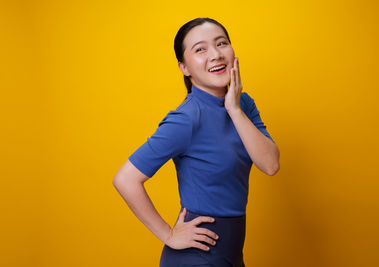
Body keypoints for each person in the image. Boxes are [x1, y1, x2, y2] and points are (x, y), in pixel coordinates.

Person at [113, 17, 280, 267]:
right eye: (200, 49)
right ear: (184, 68)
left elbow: (270, 164)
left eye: (221, 43)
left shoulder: (243, 103)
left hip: (233, 254)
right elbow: (125, 179)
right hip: (197, 257)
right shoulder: (187, 118)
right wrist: (169, 235)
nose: (215, 54)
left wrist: (234, 110)